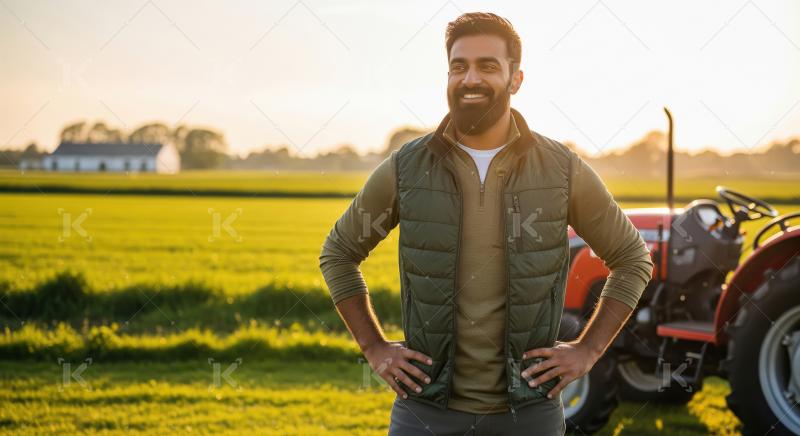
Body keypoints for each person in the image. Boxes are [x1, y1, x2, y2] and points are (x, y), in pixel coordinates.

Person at [319, 12, 654, 435]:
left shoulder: (561, 169)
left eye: (487, 66)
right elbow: (339, 253)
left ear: (516, 80)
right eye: (459, 66)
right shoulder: (407, 167)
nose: (470, 78)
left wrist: (587, 350)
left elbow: (632, 258)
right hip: (425, 412)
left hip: (529, 415)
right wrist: (373, 346)